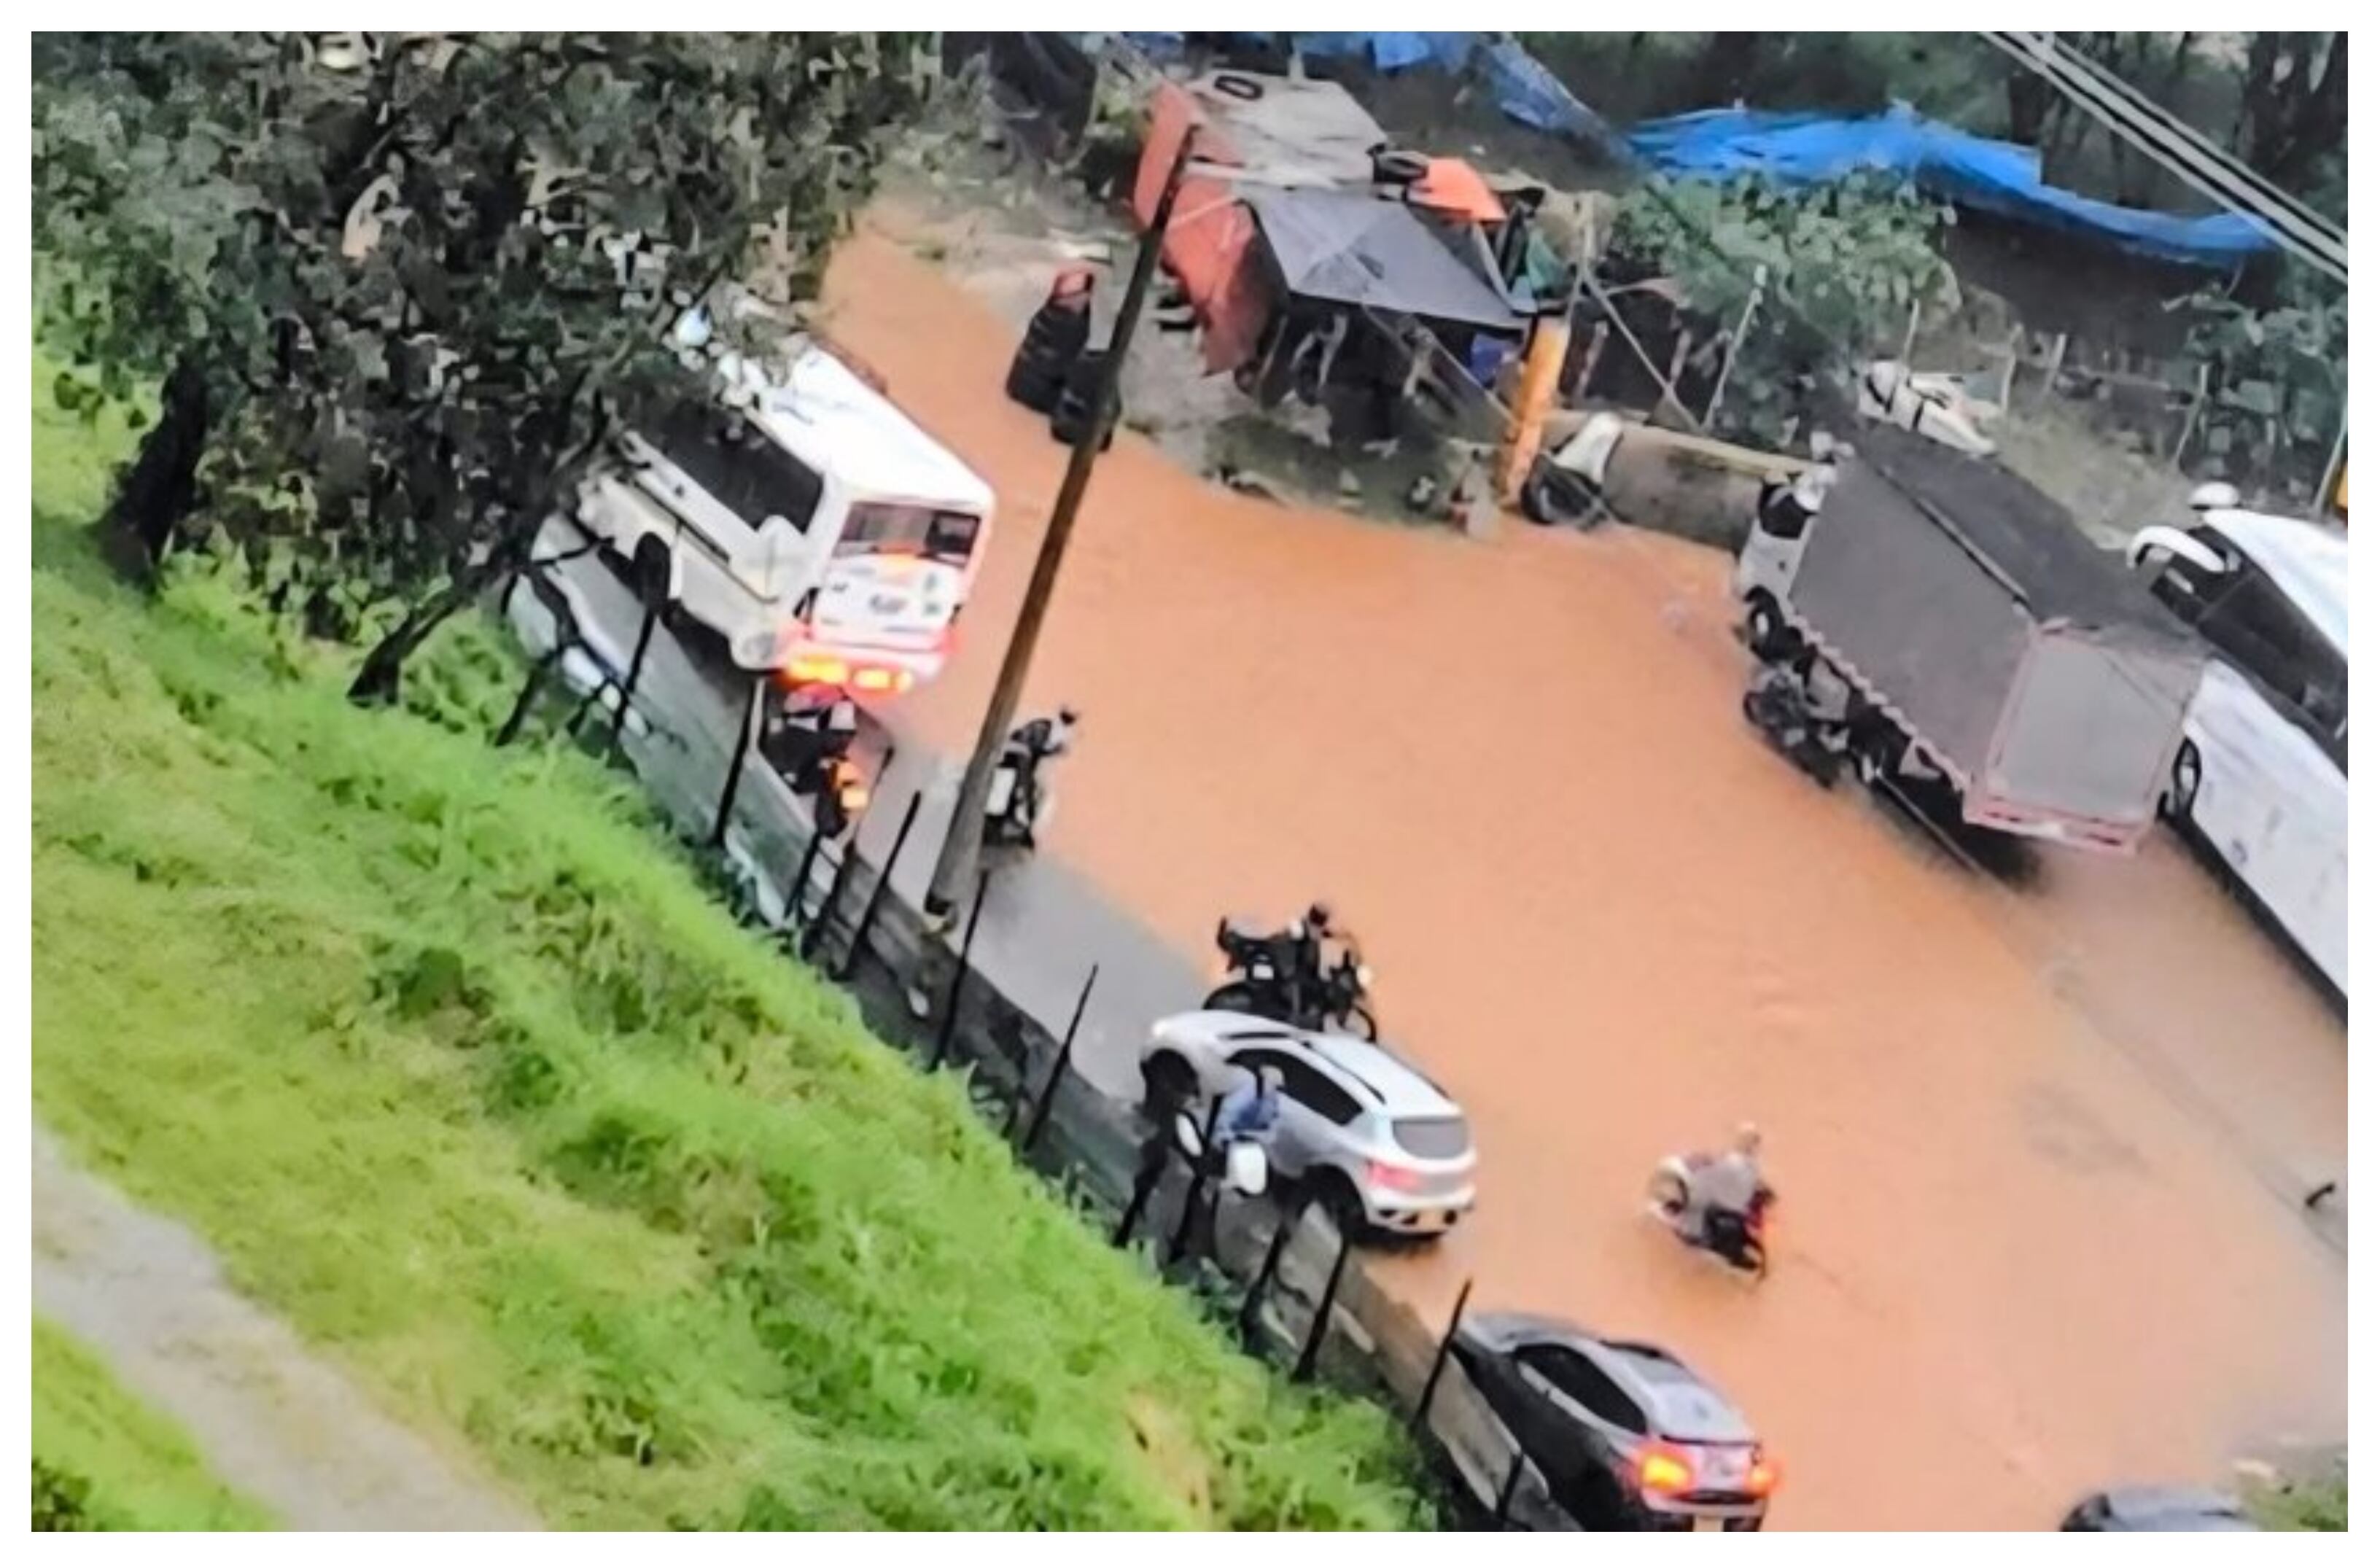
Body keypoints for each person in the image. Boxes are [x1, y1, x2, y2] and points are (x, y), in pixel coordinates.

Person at [1684, 1123, 1767, 1247]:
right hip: (1739, 1209)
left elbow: (1714, 1170)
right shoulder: (1754, 1164)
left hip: (1726, 1205)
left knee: (1699, 1195)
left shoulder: (1733, 1160)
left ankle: (1692, 1234)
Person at [1216, 1063, 1285, 1146]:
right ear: (1263, 1081)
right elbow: (1225, 1118)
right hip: (1234, 1142)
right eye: (1273, 1085)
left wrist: (1257, 1138)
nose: (1275, 1090)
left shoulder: (1273, 1101)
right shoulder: (1246, 1092)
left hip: (1254, 1146)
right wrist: (1230, 1137)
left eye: (1277, 1088)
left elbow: (1273, 1132)